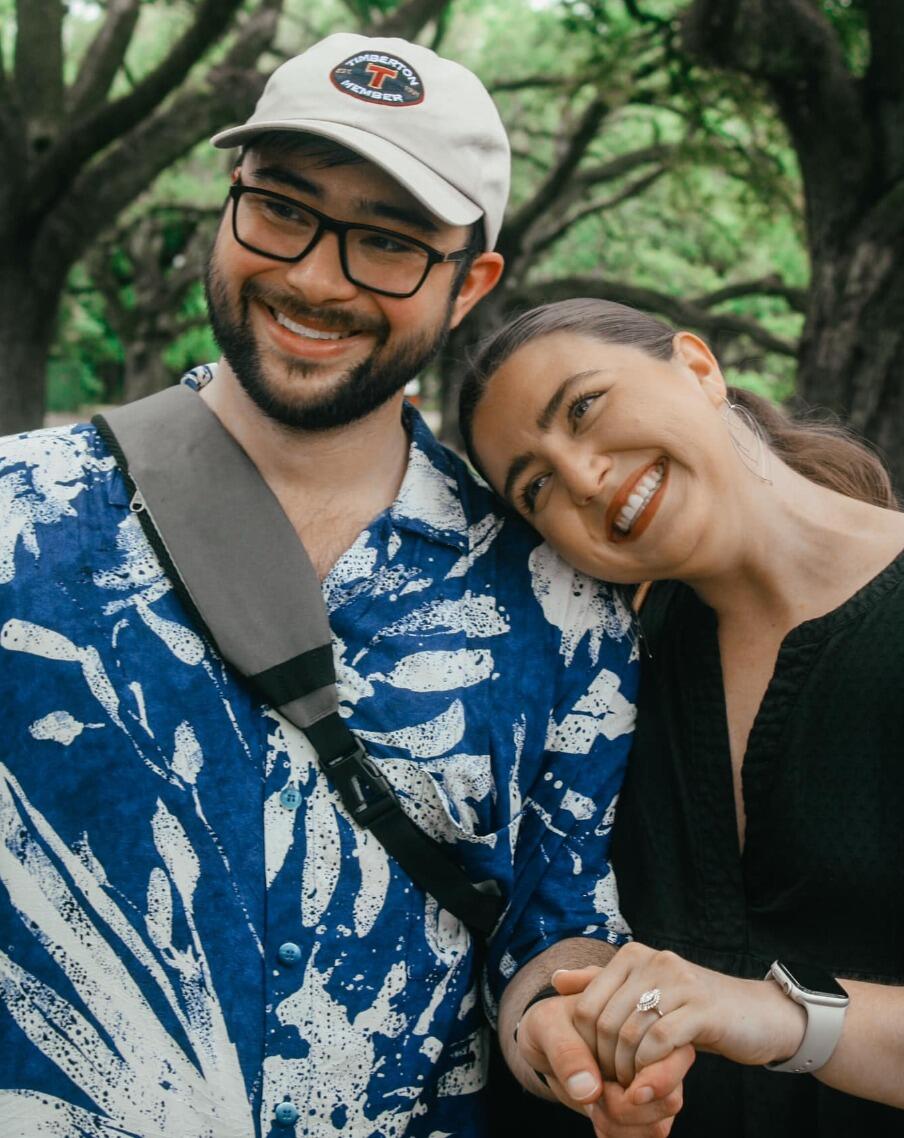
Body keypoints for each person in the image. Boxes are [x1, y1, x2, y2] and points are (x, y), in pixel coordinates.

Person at [0, 38, 689, 1138]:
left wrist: (564, 1029)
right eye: (283, 209)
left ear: (471, 283)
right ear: (229, 208)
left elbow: (545, 927)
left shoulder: (559, 603)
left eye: (387, 242)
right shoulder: (16, 515)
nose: (315, 277)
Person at [459, 296, 904, 1136]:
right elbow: (541, 924)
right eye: (537, 486)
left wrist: (772, 1015)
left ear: (699, 368)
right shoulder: (598, 674)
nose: (585, 478)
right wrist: (574, 1041)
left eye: (585, 407)